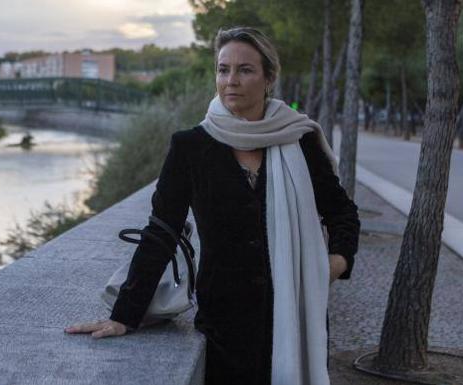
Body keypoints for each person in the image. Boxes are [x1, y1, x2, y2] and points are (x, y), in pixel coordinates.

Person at [65, 26, 360, 385]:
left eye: (245, 70)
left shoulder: (300, 141)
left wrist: (332, 264)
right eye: (223, 69)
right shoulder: (191, 147)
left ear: (269, 78)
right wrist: (125, 314)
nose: (231, 80)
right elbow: (162, 230)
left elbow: (342, 213)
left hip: (295, 313)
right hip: (224, 325)